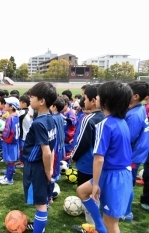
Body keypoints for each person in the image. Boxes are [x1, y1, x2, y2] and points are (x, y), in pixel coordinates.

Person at [76, 81, 133, 233]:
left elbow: (99, 158)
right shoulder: (122, 122)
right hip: (120, 174)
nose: (97, 97)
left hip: (113, 177)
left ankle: (102, 226)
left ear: (107, 101)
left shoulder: (105, 124)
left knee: (112, 224)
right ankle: (99, 227)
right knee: (81, 191)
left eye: (99, 95)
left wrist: (95, 185)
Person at [22, 82, 57, 232]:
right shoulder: (52, 119)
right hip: (43, 166)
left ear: (42, 101)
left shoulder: (38, 123)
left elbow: (46, 151)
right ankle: (40, 227)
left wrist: (47, 171)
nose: (30, 99)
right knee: (44, 198)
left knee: (40, 203)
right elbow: (52, 147)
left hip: (36, 167)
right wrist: (50, 169)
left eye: (32, 97)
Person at [70, 85, 104, 230]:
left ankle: (90, 225)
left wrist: (73, 156)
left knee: (87, 193)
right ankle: (96, 219)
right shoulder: (107, 116)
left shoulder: (88, 119)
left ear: (93, 100)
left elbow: (82, 142)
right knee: (96, 192)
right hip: (101, 165)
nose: (83, 101)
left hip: (87, 162)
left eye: (84, 98)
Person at [122, 81, 149, 221]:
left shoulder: (134, 115)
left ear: (135, 96)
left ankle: (126, 213)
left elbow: (128, 138)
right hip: (137, 152)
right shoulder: (138, 109)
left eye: (127, 91)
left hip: (133, 155)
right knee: (127, 181)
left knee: (127, 182)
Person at [0, 97, 20, 185]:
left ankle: (9, 179)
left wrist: (0, 135)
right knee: (11, 161)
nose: (5, 105)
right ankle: (7, 175)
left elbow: (7, 131)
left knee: (10, 161)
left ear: (11, 107)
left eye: (6, 104)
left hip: (10, 142)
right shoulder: (16, 115)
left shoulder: (10, 118)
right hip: (14, 142)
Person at [49, 96, 66, 201]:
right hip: (60, 147)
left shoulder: (53, 119)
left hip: (54, 149)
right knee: (54, 171)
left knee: (51, 172)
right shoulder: (60, 116)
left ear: (54, 107)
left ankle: (49, 196)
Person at [15, 95, 32, 169]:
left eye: (20, 103)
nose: (19, 104)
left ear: (24, 104)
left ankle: (23, 163)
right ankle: (21, 161)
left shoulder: (22, 112)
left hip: (23, 134)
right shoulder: (28, 111)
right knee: (22, 149)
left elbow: (14, 116)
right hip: (25, 133)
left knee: (23, 149)